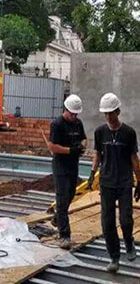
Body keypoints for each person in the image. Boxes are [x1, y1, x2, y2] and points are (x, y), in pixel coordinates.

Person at [88, 92, 140, 273]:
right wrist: (92, 172)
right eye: (106, 113)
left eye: (111, 113)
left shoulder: (128, 133)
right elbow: (97, 154)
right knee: (107, 222)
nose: (108, 116)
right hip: (107, 182)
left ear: (118, 111)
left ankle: (129, 241)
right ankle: (114, 257)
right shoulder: (99, 132)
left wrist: (139, 180)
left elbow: (134, 157)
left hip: (125, 182)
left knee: (125, 219)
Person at [49, 94, 87, 249]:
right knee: (62, 197)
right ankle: (65, 235)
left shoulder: (78, 123)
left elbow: (84, 138)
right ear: (65, 110)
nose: (74, 116)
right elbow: (53, 147)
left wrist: (82, 146)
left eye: (76, 114)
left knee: (71, 194)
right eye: (72, 114)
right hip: (61, 165)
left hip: (73, 165)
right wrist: (70, 150)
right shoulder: (57, 124)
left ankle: (58, 218)